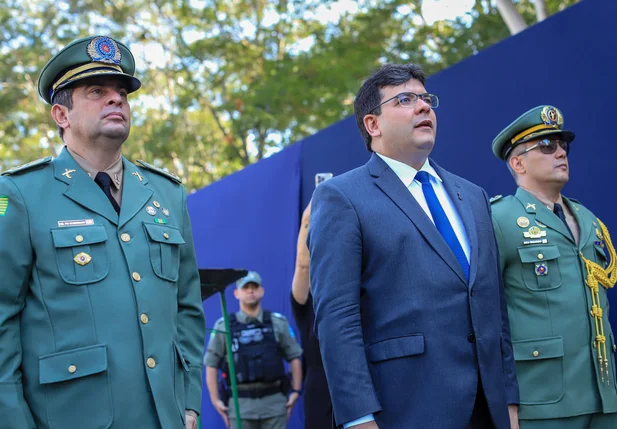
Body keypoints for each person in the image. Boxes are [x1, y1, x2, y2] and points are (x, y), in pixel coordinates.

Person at [0, 36, 206, 429]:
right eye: (97, 91)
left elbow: (187, 307)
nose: (116, 100)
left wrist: (190, 402)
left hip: (166, 417)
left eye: (122, 94)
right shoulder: (19, 194)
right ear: (62, 115)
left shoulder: (166, 193)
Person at [307, 63, 520, 429]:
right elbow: (337, 319)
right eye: (405, 99)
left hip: (490, 411)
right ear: (372, 125)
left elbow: (493, 309)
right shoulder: (341, 197)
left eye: (426, 99)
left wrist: (510, 405)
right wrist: (358, 417)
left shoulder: (473, 196)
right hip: (404, 410)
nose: (424, 107)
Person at [490, 105, 617, 429]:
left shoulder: (587, 219)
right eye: (546, 146)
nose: (560, 152)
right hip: (543, 403)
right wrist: (506, 404)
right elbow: (487, 318)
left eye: (563, 145)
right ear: (517, 162)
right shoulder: (499, 219)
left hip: (604, 396)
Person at [205, 271, 303, 429]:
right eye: (246, 287)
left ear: (261, 291)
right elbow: (211, 363)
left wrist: (296, 391)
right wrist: (215, 400)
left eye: (254, 286)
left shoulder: (277, 323)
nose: (250, 290)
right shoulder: (224, 326)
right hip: (239, 406)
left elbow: (294, 356)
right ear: (236, 293)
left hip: (274, 405)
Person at [290, 201, 333, 429]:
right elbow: (303, 266)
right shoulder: (305, 302)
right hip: (320, 389)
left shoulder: (356, 295)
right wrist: (308, 217)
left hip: (359, 386)